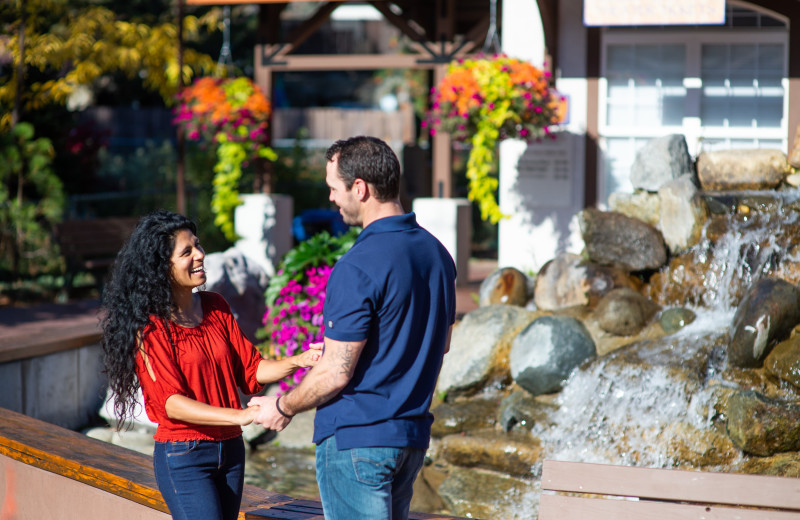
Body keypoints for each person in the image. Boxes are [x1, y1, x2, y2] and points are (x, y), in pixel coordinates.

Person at [249, 136, 457, 519]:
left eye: (334, 188)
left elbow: (335, 372)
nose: (331, 198)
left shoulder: (357, 265)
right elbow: (439, 345)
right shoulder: (438, 255)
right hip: (409, 440)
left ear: (359, 188)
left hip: (357, 439)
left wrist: (282, 406)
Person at [100, 210, 320, 520]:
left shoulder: (216, 306)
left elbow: (252, 369)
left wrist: (298, 361)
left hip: (230, 452)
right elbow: (171, 404)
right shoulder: (150, 328)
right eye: (186, 251)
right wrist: (240, 415)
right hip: (185, 456)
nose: (200, 255)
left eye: (198, 246)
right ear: (161, 267)